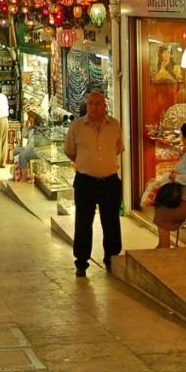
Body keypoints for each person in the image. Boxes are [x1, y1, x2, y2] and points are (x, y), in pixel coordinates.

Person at [63, 91, 123, 277]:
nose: (94, 107)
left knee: (111, 222)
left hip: (109, 181)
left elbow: (118, 148)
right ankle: (81, 262)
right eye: (90, 104)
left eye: (98, 104)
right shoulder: (77, 127)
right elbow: (70, 151)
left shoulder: (114, 125)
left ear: (105, 106)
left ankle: (112, 259)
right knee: (83, 223)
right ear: (86, 106)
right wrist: (86, 163)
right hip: (85, 181)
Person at [13, 108, 41, 182]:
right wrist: (26, 127)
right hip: (30, 148)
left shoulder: (38, 129)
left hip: (36, 150)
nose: (30, 121)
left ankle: (24, 176)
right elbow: (24, 135)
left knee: (23, 155)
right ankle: (17, 175)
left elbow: (32, 143)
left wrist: (25, 149)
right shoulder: (31, 128)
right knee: (15, 151)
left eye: (31, 120)